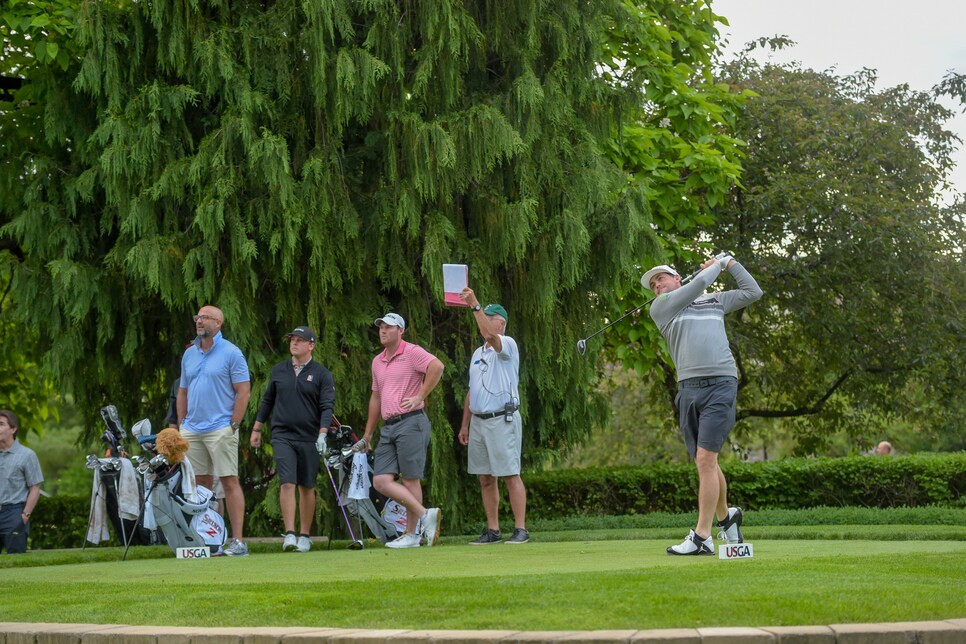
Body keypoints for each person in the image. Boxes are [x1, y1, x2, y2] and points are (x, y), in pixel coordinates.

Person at [643, 254, 762, 555]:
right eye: (653, 285)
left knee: (706, 460)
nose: (657, 286)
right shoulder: (662, 308)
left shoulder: (714, 301)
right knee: (704, 461)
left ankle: (702, 537)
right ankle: (728, 517)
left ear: (677, 278)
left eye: (661, 279)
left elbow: (752, 292)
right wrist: (717, 265)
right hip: (689, 389)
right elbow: (698, 285)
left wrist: (731, 262)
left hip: (722, 383)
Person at [355, 313, 444, 549]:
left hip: (412, 422)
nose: (383, 331)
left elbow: (437, 366)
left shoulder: (412, 352)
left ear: (400, 331)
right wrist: (368, 434)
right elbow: (376, 397)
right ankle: (425, 514)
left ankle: (411, 534)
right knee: (381, 480)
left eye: (389, 327)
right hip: (389, 426)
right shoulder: (377, 361)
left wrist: (420, 396)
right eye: (381, 327)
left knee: (410, 477)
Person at [250, 326, 335, 553]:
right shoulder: (279, 370)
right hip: (283, 435)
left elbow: (327, 407)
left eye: (300, 340)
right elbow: (268, 400)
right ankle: (289, 534)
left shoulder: (321, 374)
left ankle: (304, 535)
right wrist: (257, 428)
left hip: (310, 437)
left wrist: (323, 434)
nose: (294, 343)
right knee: (288, 482)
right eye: (292, 340)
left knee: (307, 486)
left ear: (311, 345)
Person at [177, 305, 252, 556]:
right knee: (200, 486)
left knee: (230, 482)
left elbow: (243, 390)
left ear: (218, 323)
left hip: (221, 427)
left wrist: (234, 424)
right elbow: (183, 391)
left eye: (205, 318)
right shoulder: (189, 354)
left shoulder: (232, 353)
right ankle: (210, 540)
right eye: (197, 317)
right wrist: (181, 424)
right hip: (192, 429)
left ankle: (238, 541)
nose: (199, 321)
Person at [456, 292, 529, 544]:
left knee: (510, 473)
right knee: (485, 477)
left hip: (502, 418)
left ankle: (521, 529)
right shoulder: (478, 353)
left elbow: (489, 335)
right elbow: (472, 389)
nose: (483, 323)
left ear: (501, 323)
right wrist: (465, 423)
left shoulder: (507, 343)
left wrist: (474, 305)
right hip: (479, 421)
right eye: (481, 317)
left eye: (489, 318)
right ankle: (493, 530)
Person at [0, 410, 44, 554]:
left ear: (13, 429)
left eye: (1, 424)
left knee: (15, 563)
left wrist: (25, 515)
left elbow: (35, 487)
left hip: (14, 514)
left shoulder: (27, 455)